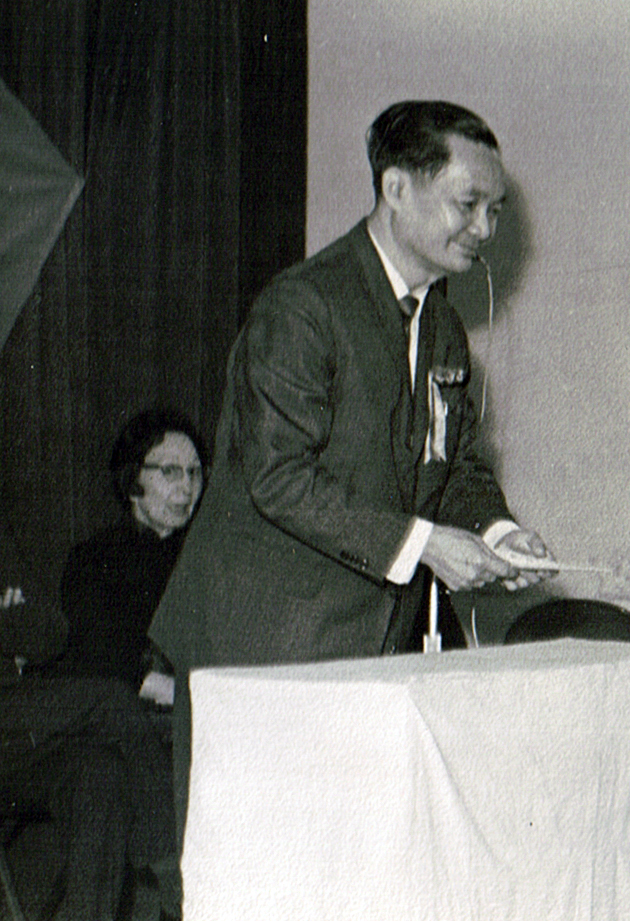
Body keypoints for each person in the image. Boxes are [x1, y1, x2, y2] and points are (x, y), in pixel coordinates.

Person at [149, 100, 554, 838]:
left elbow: (455, 463)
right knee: (254, 867)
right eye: (467, 204)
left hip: (363, 645)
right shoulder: (303, 306)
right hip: (263, 648)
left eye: (495, 210)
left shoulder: (443, 327)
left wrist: (497, 531)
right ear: (396, 188)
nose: (485, 229)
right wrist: (426, 545)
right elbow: (279, 478)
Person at [2, 522, 177, 920]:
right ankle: (175, 881)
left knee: (102, 772)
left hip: (16, 740)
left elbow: (51, 636)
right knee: (111, 701)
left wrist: (14, 624)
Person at [48, 408, 207, 706]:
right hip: (133, 716)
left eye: (194, 472)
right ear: (133, 480)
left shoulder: (206, 556)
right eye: (170, 471)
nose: (187, 487)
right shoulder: (94, 559)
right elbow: (102, 656)